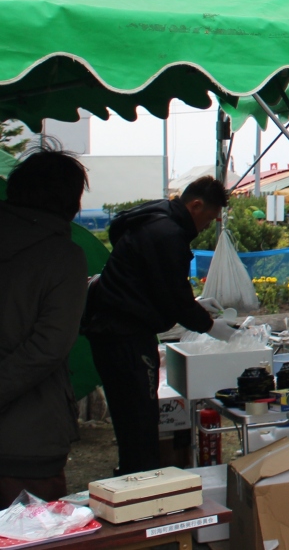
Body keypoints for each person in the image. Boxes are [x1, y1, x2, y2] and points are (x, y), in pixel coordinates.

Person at [82, 176, 236, 475]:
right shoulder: (167, 233)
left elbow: (153, 283)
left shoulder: (155, 216)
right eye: (208, 219)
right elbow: (172, 295)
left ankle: (133, 473)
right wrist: (209, 325)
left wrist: (194, 304)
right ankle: (140, 480)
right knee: (139, 417)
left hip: (112, 329)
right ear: (195, 205)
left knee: (130, 416)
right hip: (124, 334)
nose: (206, 227)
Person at [0, 151, 89, 506]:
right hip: (28, 436)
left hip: (25, 434)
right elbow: (50, 345)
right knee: (30, 527)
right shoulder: (63, 256)